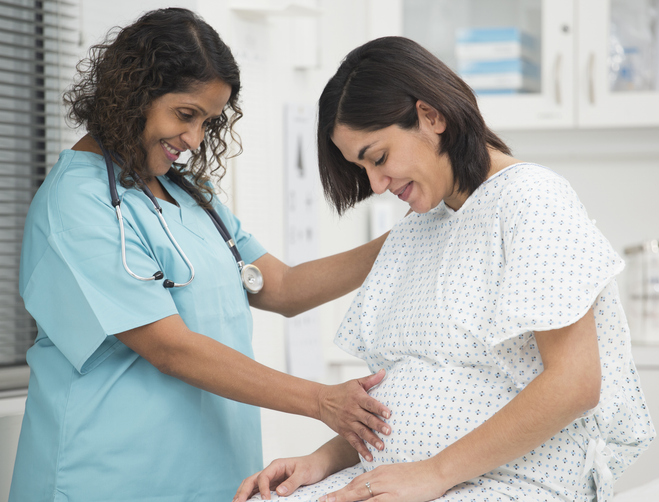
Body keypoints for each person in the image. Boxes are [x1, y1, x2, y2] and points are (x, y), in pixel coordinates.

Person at [234, 36, 655, 502]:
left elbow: (574, 384)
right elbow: (412, 391)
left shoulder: (530, 199)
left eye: (378, 158)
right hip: (412, 476)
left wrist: (434, 474)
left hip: (508, 481)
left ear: (431, 116)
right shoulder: (425, 223)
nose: (375, 185)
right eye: (362, 168)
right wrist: (322, 461)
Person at [9, 9, 395, 502]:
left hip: (214, 477)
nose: (193, 140)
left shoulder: (188, 194)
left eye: (207, 122)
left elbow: (282, 287)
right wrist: (322, 401)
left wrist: (404, 240)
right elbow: (170, 347)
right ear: (132, 94)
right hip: (106, 478)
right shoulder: (77, 203)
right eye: (185, 114)